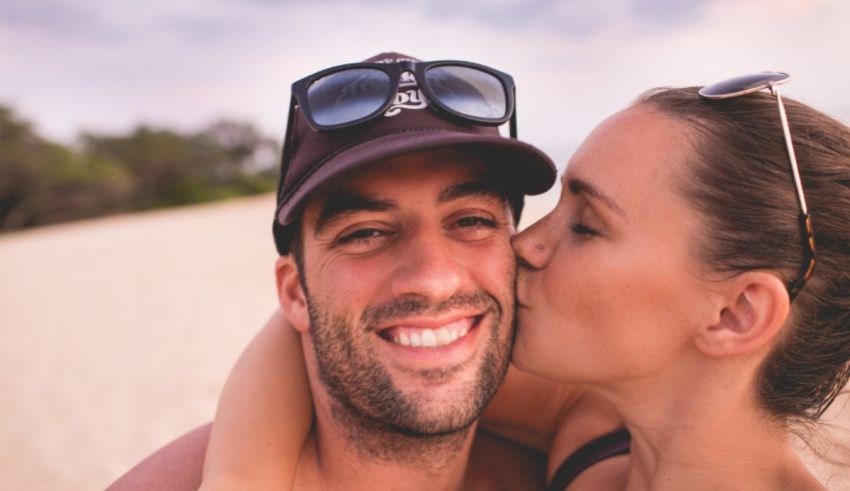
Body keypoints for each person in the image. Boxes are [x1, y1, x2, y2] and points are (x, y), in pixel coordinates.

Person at [199, 72, 850, 490]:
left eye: (586, 225)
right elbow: (336, 331)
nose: (524, 244)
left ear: (735, 313)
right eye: (553, 205)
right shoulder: (598, 443)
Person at [109, 52, 621, 490]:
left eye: (471, 221)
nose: (433, 279)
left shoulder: (583, 454)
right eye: (365, 233)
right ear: (295, 295)